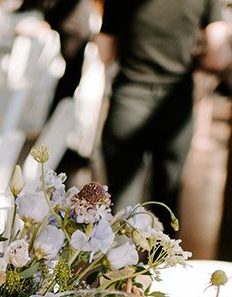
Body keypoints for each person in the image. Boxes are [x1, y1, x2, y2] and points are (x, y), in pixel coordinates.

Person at [99, 0, 231, 231]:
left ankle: (118, 265)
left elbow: (105, 52)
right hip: (174, 104)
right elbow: (218, 55)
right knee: (166, 206)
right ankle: (162, 264)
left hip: (129, 100)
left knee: (120, 207)